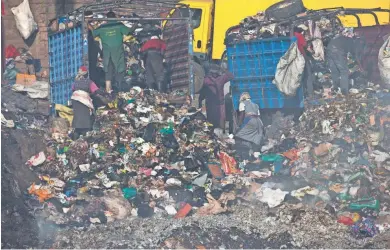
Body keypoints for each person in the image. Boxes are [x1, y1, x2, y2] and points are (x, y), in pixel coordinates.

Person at [90, 11, 137, 93]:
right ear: (115, 16)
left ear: (107, 18)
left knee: (108, 72)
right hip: (118, 53)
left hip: (107, 54)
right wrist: (136, 23)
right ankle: (120, 91)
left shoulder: (102, 27)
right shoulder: (119, 25)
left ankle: (108, 91)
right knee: (119, 70)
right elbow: (129, 31)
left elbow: (93, 33)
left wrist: (88, 24)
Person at [71, 66, 108, 139]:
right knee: (85, 119)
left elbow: (73, 89)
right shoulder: (89, 82)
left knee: (77, 117)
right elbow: (96, 90)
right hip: (84, 101)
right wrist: (105, 92)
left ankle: (76, 135)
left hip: (75, 101)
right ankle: (84, 135)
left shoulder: (76, 82)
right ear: (87, 74)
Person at [198, 64, 234, 132]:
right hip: (217, 103)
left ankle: (215, 133)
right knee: (219, 119)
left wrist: (200, 101)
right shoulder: (221, 78)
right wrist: (224, 70)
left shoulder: (206, 80)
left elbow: (202, 91)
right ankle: (219, 133)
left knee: (214, 120)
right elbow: (231, 76)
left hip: (213, 103)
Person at [326, 28, 361, 95]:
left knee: (335, 71)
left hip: (329, 51)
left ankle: (335, 88)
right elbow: (353, 52)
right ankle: (344, 91)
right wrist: (356, 61)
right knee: (344, 71)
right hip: (337, 52)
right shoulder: (351, 40)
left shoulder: (340, 37)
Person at [234, 92, 264, 159]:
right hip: (259, 122)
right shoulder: (256, 105)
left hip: (250, 120)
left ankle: (244, 155)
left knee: (239, 135)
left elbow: (242, 115)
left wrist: (239, 125)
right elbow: (258, 115)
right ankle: (257, 156)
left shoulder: (242, 103)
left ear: (242, 98)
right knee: (256, 138)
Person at [294, 24, 314, 97]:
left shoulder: (290, 36)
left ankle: (300, 94)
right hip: (302, 57)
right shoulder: (299, 35)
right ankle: (310, 93)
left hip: (294, 59)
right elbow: (305, 45)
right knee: (308, 74)